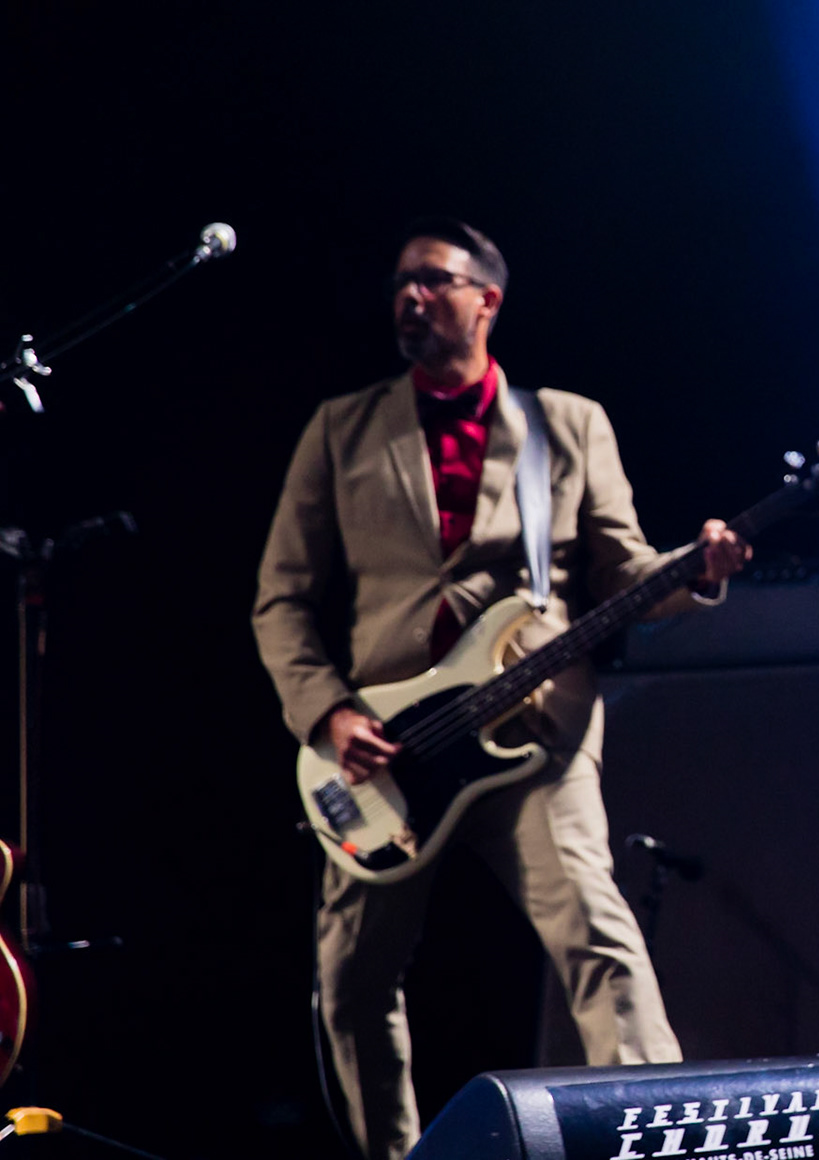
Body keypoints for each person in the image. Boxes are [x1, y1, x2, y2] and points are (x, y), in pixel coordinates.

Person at [253, 218, 748, 1159]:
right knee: (349, 983)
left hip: (536, 732)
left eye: (432, 280)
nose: (409, 296)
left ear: (488, 299)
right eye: (400, 283)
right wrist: (328, 713)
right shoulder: (341, 428)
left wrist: (700, 567)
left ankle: (662, 1143)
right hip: (386, 746)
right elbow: (281, 599)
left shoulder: (566, 423)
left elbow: (623, 572)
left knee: (598, 941)